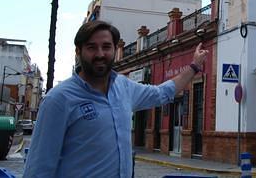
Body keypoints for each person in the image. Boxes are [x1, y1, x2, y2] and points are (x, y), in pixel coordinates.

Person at [23, 20, 208, 178]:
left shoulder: (124, 87)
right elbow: (38, 168)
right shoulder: (58, 99)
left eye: (106, 47)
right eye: (91, 47)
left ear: (114, 50)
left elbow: (162, 93)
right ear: (78, 52)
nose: (100, 54)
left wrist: (193, 67)